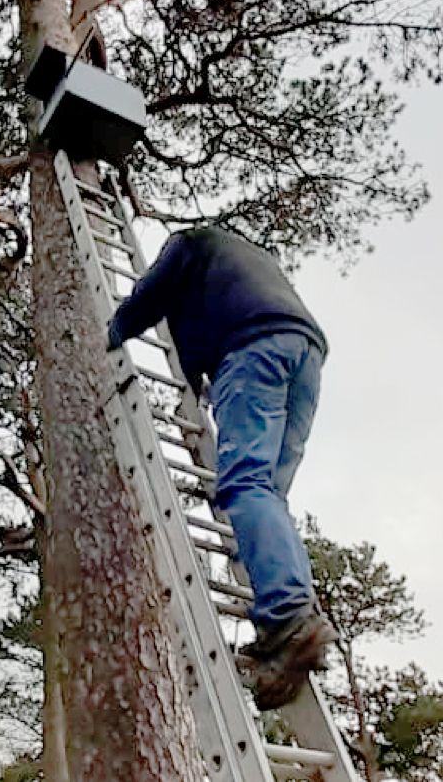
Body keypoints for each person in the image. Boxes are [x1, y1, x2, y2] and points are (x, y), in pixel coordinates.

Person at [107, 223, 337, 710]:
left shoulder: (191, 244)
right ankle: (293, 615)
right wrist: (194, 399)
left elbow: (153, 289)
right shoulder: (247, 265)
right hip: (305, 353)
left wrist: (115, 329)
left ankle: (289, 616)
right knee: (266, 495)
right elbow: (191, 363)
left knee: (246, 486)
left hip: (254, 350)